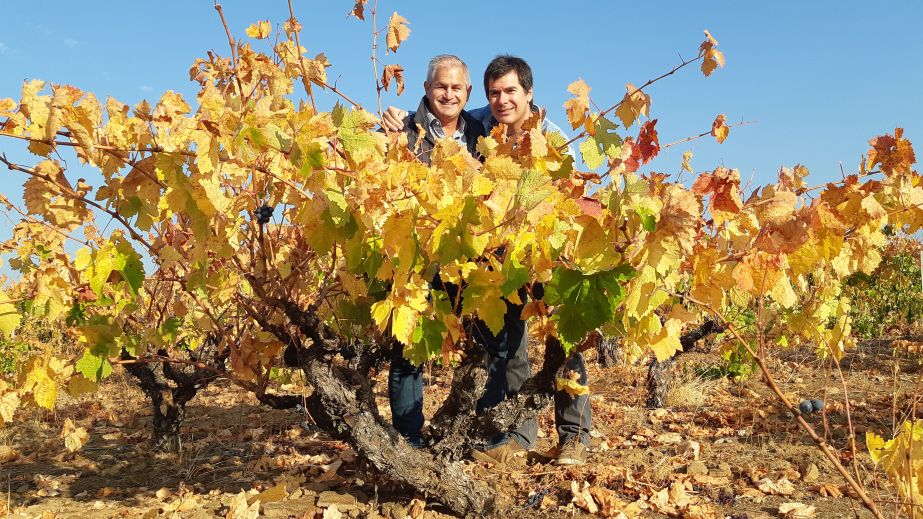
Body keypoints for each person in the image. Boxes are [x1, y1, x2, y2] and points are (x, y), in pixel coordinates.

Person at [386, 55, 591, 467]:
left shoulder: (551, 139)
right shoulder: (483, 125)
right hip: (500, 258)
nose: (502, 100)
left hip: (546, 252)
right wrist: (399, 118)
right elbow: (439, 114)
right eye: (494, 92)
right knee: (509, 345)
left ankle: (575, 437)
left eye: (511, 91)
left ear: (529, 94)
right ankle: (518, 436)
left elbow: (573, 198)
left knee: (561, 340)